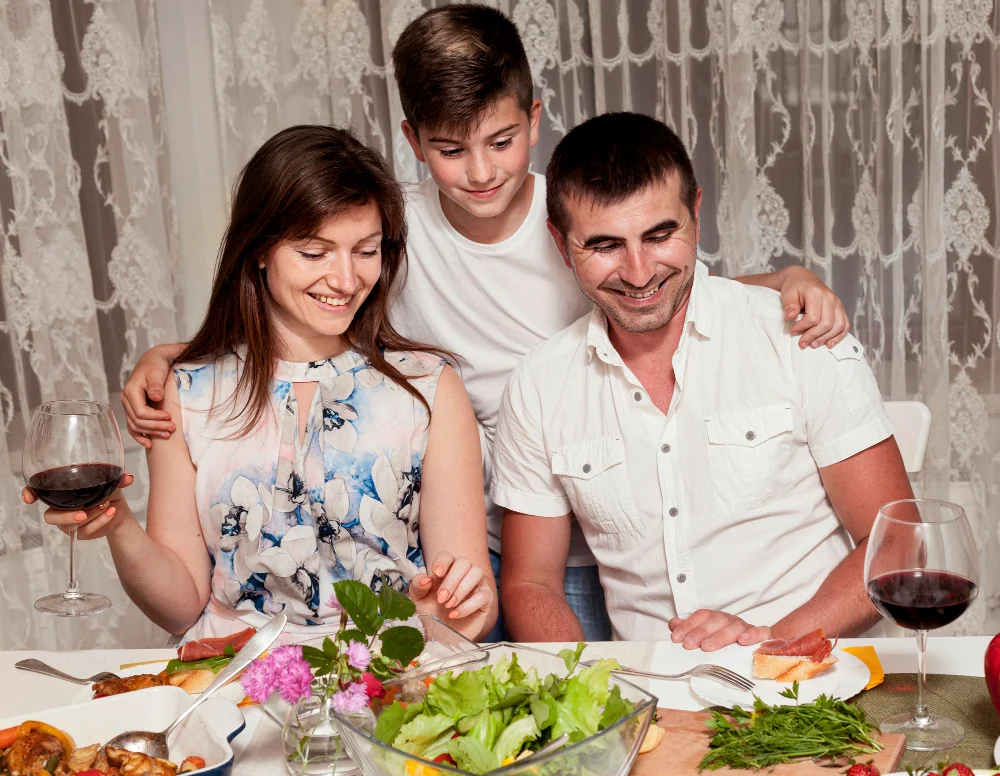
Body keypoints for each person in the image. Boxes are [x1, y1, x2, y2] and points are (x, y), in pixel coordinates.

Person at [119, 6, 851, 643]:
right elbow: (302, 313)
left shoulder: (577, 217)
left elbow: (663, 285)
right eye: (450, 150)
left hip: (605, 535)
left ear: (534, 119)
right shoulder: (390, 229)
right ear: (413, 141)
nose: (480, 172)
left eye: (501, 142)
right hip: (482, 538)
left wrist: (784, 281)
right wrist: (175, 356)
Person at [23, 126, 496, 642]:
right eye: (315, 253)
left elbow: (473, 606)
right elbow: (180, 608)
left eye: (365, 251)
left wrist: (441, 615)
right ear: (261, 249)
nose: (346, 280)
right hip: (235, 678)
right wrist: (117, 524)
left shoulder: (428, 389)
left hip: (386, 670)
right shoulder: (188, 393)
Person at [490, 112, 914, 648]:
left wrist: (770, 642)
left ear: (695, 212)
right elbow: (531, 583)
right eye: (604, 246)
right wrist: (589, 689)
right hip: (645, 686)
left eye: (660, 235)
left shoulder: (799, 338)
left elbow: (895, 545)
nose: (639, 272)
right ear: (560, 242)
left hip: (811, 671)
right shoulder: (539, 385)